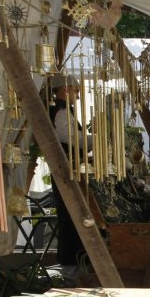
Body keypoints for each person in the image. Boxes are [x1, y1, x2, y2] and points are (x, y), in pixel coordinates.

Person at [49, 73, 88, 271]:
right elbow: (71, 138)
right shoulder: (60, 113)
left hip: (69, 173)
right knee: (70, 218)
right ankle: (70, 267)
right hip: (65, 175)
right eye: (76, 91)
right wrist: (93, 140)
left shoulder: (66, 112)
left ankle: (75, 264)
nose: (78, 96)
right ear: (65, 89)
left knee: (73, 219)